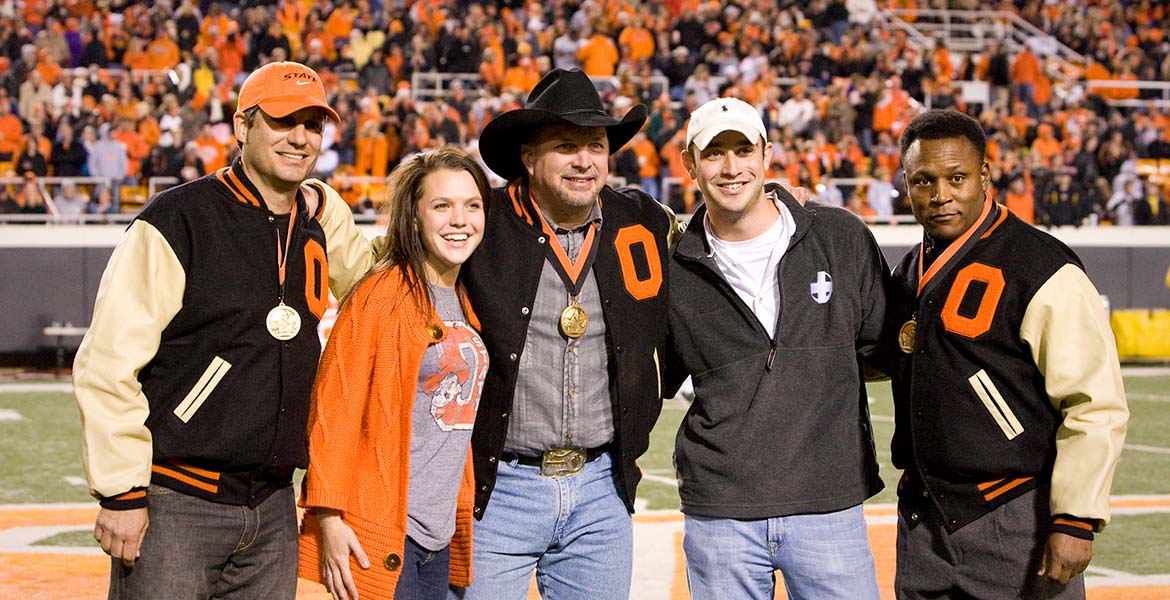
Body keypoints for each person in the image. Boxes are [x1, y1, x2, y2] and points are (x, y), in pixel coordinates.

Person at [72, 61, 366, 599]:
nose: (300, 138)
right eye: (282, 120)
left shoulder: (323, 214)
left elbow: (377, 296)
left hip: (275, 504)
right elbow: (109, 360)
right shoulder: (178, 218)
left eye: (313, 124)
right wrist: (121, 493)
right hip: (178, 502)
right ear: (242, 126)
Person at [885, 109, 1129, 599]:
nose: (940, 195)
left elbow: (1093, 401)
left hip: (1015, 515)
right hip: (923, 516)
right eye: (923, 181)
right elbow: (881, 353)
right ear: (906, 186)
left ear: (984, 176)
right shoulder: (912, 269)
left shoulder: (1041, 265)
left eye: (956, 178)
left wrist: (1076, 518)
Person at [454, 67, 673, 599]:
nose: (585, 161)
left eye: (595, 145)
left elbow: (719, 236)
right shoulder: (480, 220)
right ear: (529, 158)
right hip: (497, 490)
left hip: (601, 489)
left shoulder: (641, 219)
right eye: (566, 146)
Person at [661, 97, 887, 600]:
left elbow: (881, 346)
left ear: (767, 153)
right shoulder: (674, 264)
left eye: (743, 150)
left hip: (829, 503)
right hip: (722, 510)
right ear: (689, 164)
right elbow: (657, 372)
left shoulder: (839, 235)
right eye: (714, 153)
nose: (731, 167)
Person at [298, 148, 491, 600]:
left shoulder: (467, 294)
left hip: (437, 534)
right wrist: (328, 517)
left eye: (473, 205)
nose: (459, 219)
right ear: (414, 216)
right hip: (380, 529)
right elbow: (334, 408)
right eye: (441, 206)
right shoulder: (380, 294)